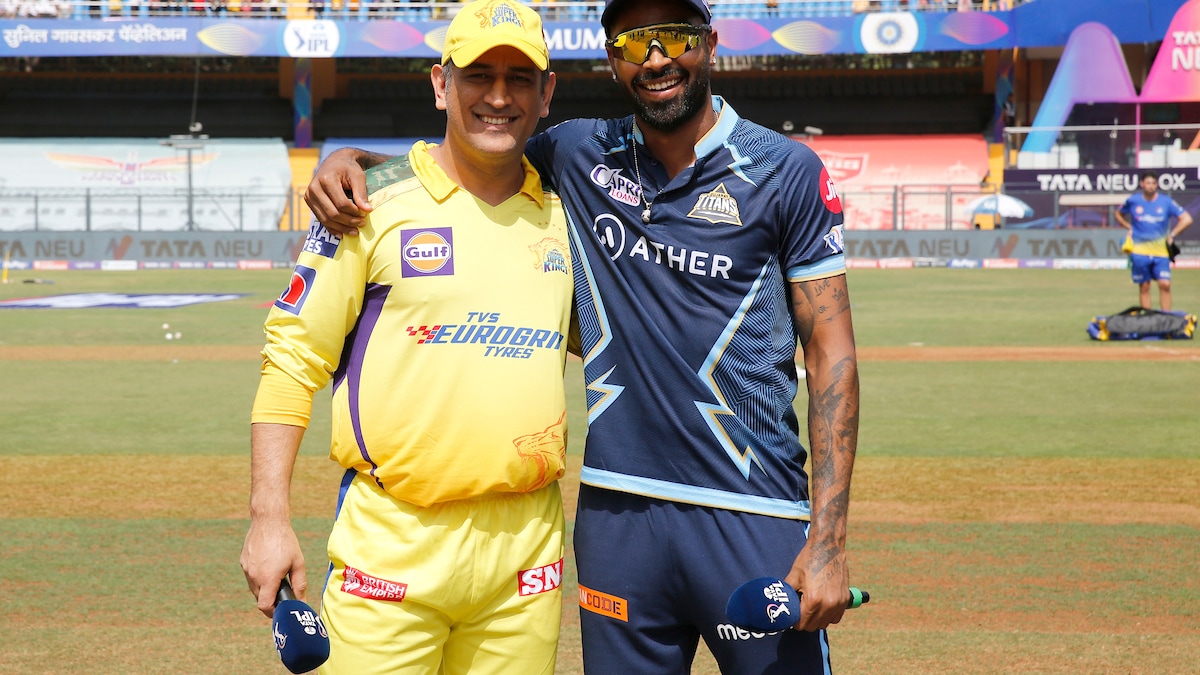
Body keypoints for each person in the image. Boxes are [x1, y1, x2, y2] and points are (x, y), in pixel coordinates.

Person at [304, 0, 861, 671]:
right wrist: (353, 160)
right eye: (632, 43)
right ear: (611, 61)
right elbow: (465, 159)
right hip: (618, 518)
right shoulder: (576, 152)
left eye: (673, 37)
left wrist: (828, 540)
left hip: (752, 510)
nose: (654, 58)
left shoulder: (786, 170)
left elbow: (830, 354)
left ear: (710, 44)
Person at [239, 1, 573, 672]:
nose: (499, 96)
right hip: (392, 544)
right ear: (441, 84)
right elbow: (292, 361)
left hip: (527, 553)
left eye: (519, 78)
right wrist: (268, 518)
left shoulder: (569, 214)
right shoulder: (364, 205)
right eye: (478, 75)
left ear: (546, 94)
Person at [1115, 170, 1193, 311]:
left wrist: (1172, 234)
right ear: (1142, 184)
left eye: (1153, 183)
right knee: (1144, 286)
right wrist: (1128, 226)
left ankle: (1167, 318)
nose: (1151, 186)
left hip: (1160, 251)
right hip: (1139, 251)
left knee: (1165, 284)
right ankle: (1148, 319)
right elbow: (1118, 213)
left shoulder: (1166, 202)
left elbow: (1187, 219)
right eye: (1148, 183)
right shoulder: (1133, 201)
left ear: (1157, 185)